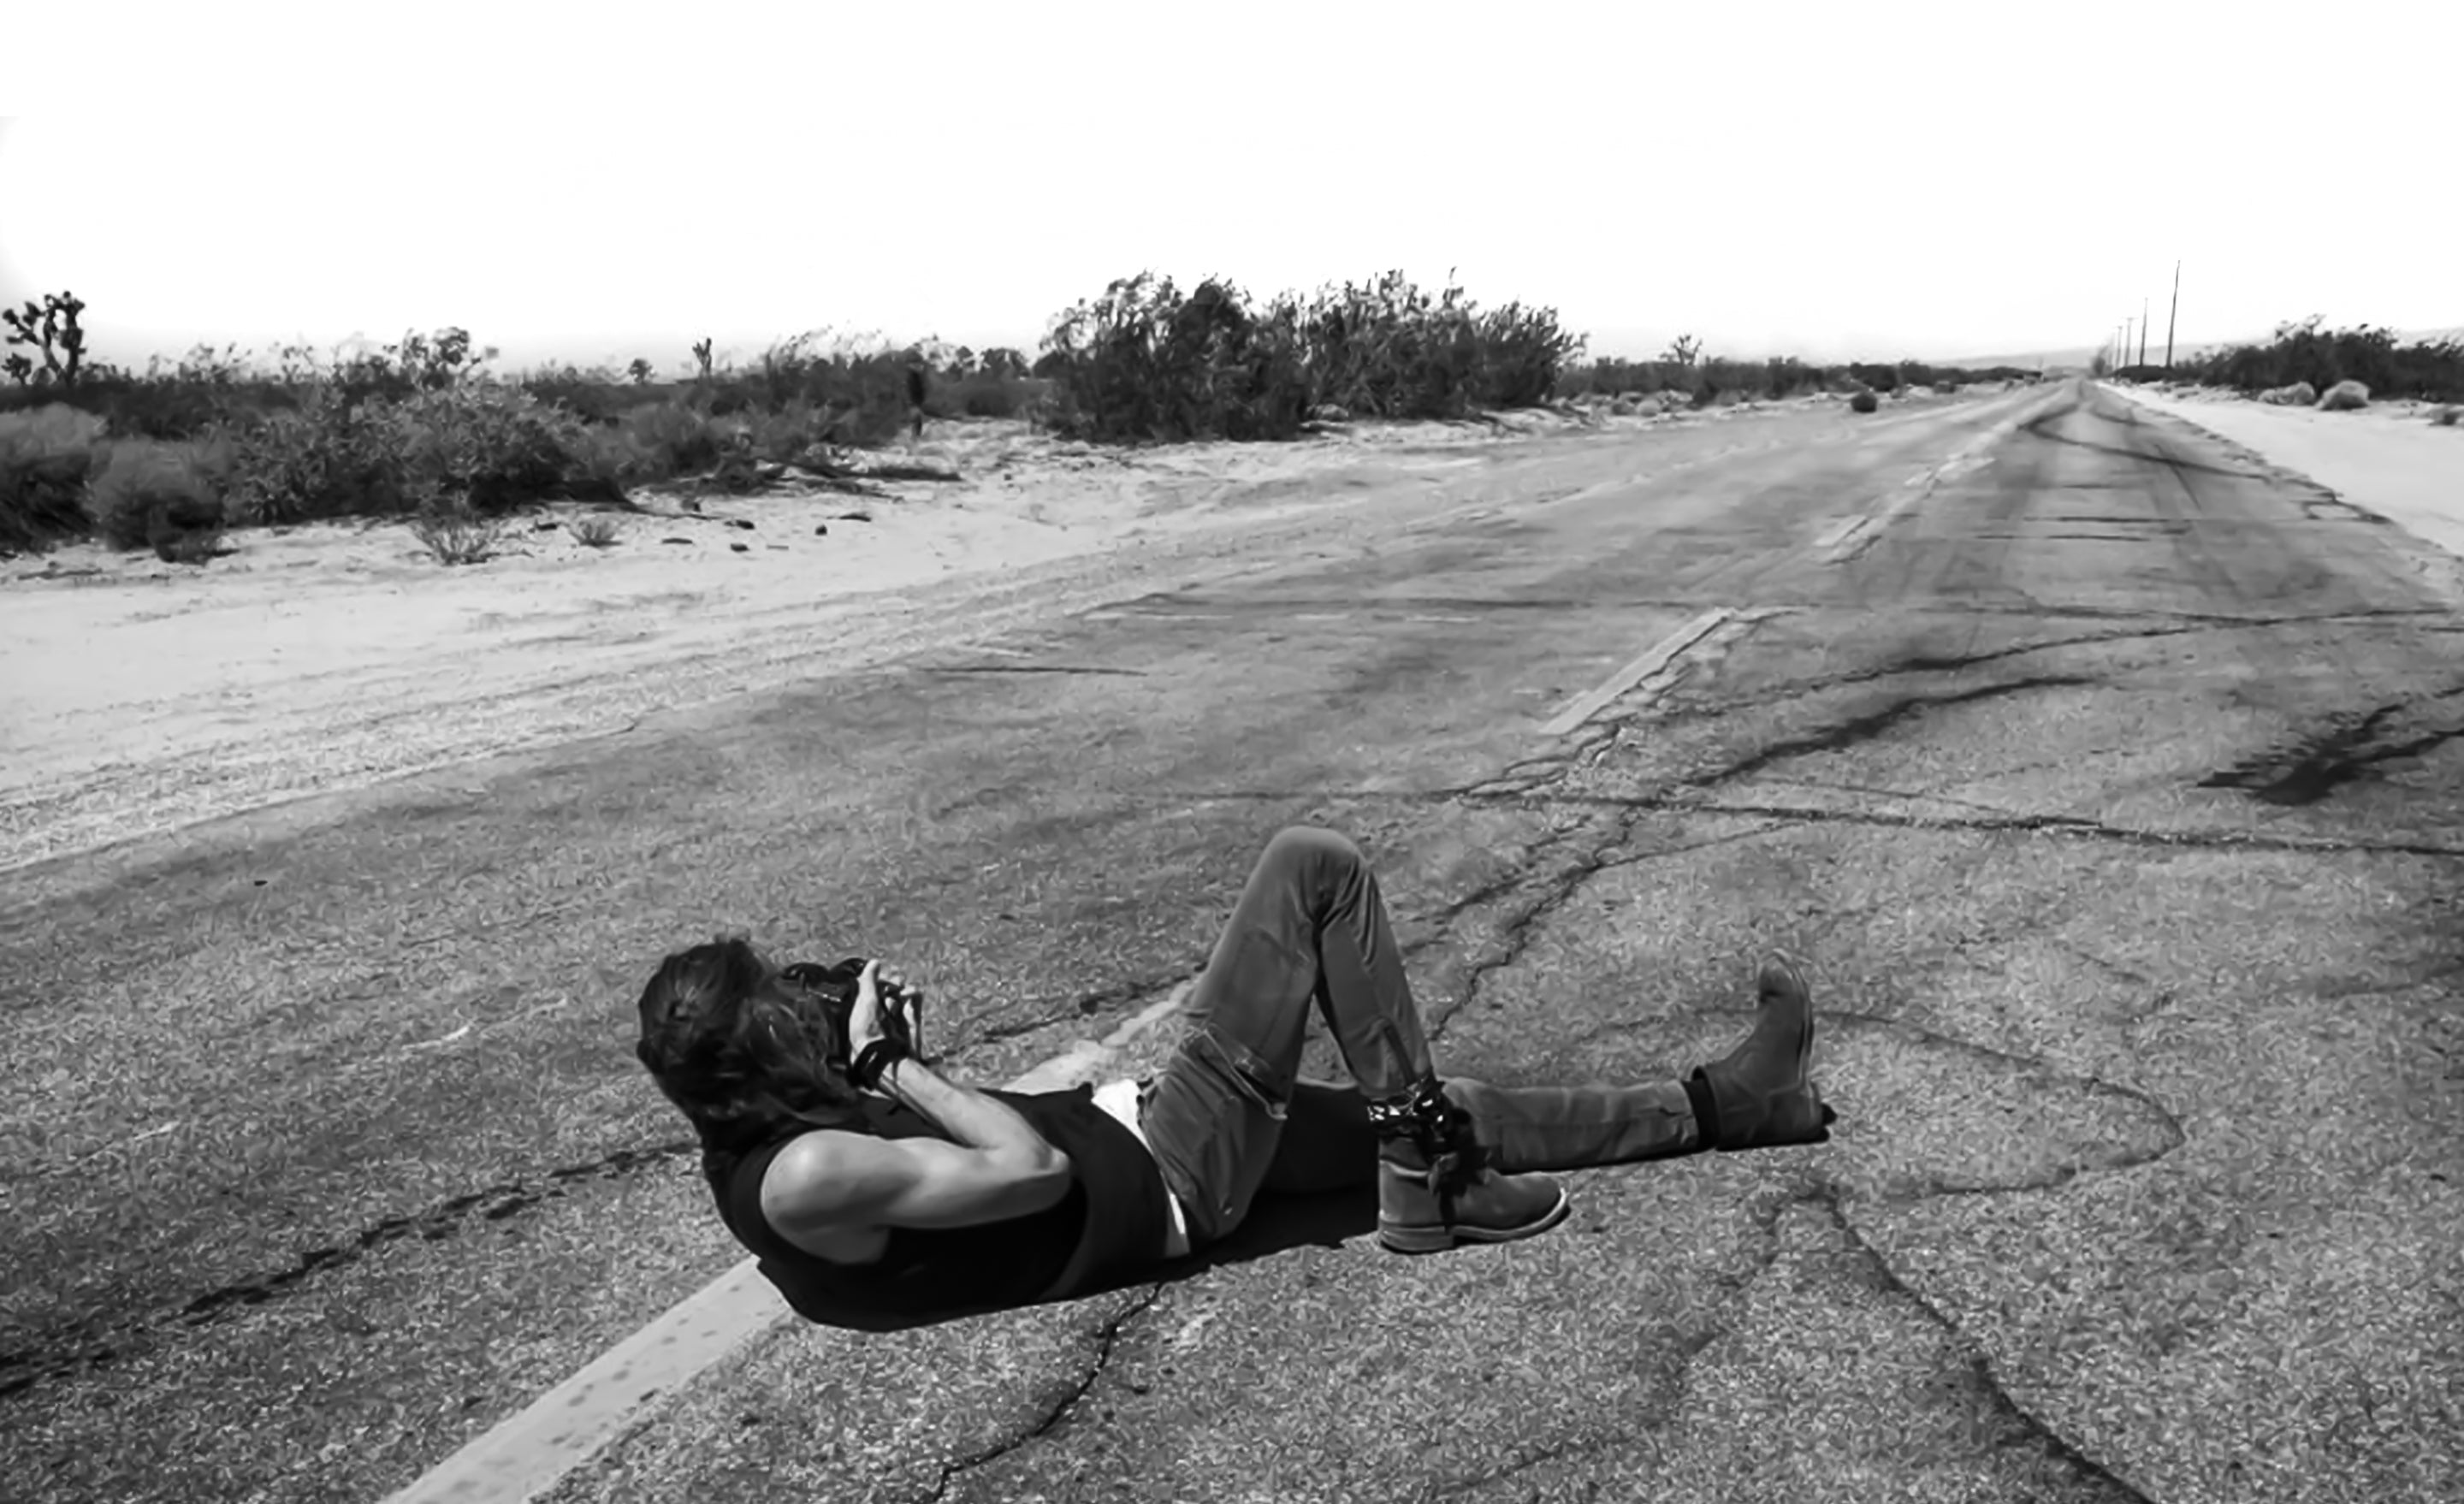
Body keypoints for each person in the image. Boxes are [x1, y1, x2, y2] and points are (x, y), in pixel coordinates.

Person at [633, 826, 1835, 1324]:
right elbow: (1028, 1167)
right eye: (782, 1016)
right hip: (1168, 1173)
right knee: (1313, 869)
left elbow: (937, 1154)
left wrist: (868, 1053)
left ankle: (1734, 1104)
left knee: (1428, 1100)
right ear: (753, 1064)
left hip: (1152, 1129)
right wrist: (895, 1060)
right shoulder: (802, 1175)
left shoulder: (782, 1121)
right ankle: (1428, 1184)